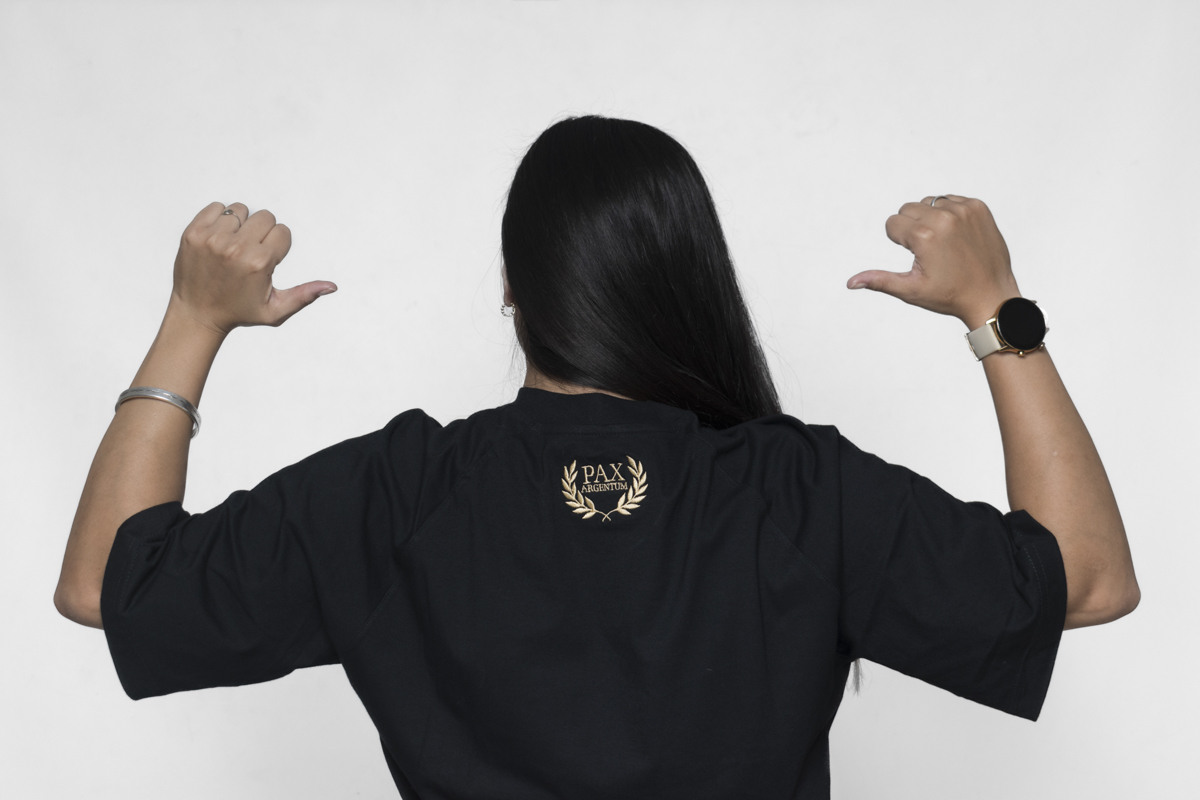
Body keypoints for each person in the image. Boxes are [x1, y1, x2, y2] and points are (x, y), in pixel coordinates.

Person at [55, 115, 1139, 798]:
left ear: (513, 289)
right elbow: (1088, 579)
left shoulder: (398, 493)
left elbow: (110, 584)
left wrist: (193, 320)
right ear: (692, 279)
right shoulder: (799, 492)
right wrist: (996, 309)